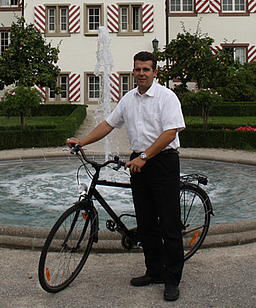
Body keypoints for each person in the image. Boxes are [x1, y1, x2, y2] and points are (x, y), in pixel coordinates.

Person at [66, 51, 186, 302]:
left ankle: (172, 279)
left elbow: (170, 133)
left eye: (146, 69)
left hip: (162, 161)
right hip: (138, 163)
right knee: (146, 223)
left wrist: (144, 157)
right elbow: (108, 124)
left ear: (155, 72)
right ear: (133, 72)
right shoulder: (128, 99)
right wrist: (82, 141)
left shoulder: (167, 97)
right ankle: (154, 271)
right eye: (137, 69)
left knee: (169, 225)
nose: (141, 73)